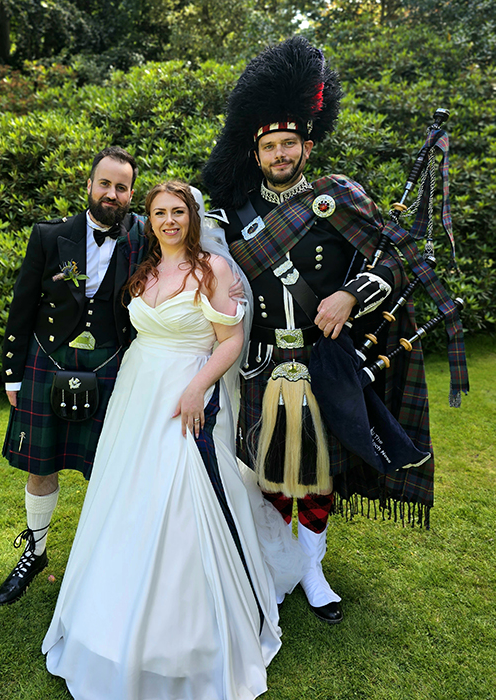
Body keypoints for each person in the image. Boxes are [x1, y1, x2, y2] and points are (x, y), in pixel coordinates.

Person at [202, 36, 439, 624]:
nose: (280, 153)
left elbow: (394, 261)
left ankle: (312, 567)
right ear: (256, 152)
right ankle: (274, 559)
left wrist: (349, 293)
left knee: (320, 468)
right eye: (270, 146)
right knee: (263, 464)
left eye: (289, 144)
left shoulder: (339, 195)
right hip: (258, 359)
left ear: (306, 145)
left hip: (321, 357)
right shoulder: (232, 210)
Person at [42, 181, 298, 700]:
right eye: (159, 212)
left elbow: (230, 342)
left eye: (178, 211)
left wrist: (197, 388)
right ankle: (109, 614)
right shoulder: (146, 270)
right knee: (127, 497)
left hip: (188, 393)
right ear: (149, 219)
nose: (169, 221)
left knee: (181, 495)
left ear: (193, 217)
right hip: (137, 395)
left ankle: (190, 633)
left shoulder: (214, 270)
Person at [0, 147, 146, 606]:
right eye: (105, 184)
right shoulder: (50, 236)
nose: (112, 194)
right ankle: (35, 552)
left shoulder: (145, 235)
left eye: (122, 187)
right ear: (89, 185)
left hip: (112, 365)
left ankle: (105, 561)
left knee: (111, 470)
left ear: (131, 193)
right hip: (47, 360)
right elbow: (21, 309)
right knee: (41, 466)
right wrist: (13, 375)